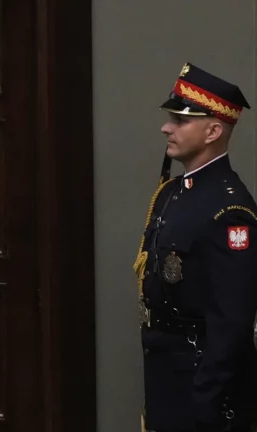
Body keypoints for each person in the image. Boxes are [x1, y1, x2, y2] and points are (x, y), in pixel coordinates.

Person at [134, 63, 257, 432]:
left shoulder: (229, 210)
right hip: (167, 374)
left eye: (180, 120)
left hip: (202, 389)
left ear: (213, 131)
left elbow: (232, 323)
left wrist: (205, 406)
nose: (166, 127)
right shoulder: (173, 192)